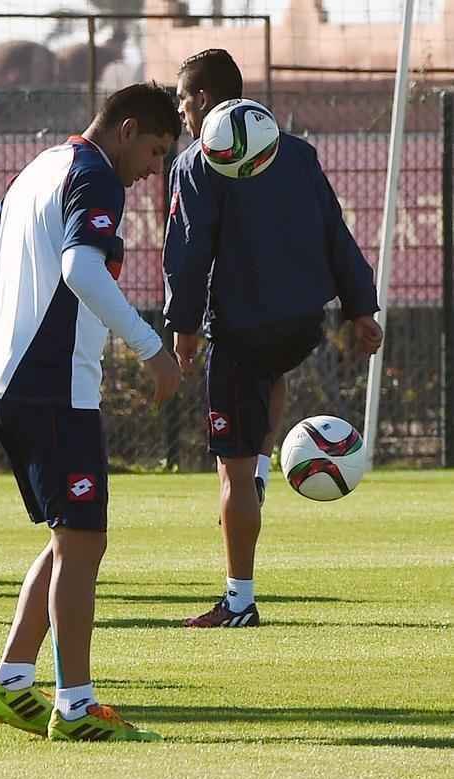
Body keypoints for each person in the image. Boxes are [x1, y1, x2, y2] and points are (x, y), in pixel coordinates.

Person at [0, 83, 182, 742]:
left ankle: (12, 684)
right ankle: (75, 706)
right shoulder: (94, 175)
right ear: (125, 128)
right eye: (153, 149)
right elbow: (82, 267)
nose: (150, 169)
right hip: (50, 388)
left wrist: (13, 324)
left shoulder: (41, 167)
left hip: (9, 379)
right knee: (83, 542)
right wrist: (149, 348)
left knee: (70, 539)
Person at [165, 49, 383, 628]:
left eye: (184, 99)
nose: (183, 111)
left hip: (239, 332)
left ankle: (239, 600)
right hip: (299, 327)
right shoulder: (298, 152)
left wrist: (181, 328)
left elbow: (187, 255)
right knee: (269, 380)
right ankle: (261, 474)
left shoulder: (197, 163)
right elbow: (335, 232)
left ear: (205, 98)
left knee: (229, 473)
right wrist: (361, 307)